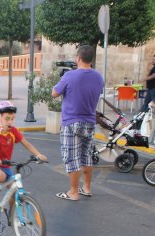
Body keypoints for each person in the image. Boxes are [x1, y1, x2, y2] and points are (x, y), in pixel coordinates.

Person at [51, 44, 104, 201]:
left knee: (72, 157)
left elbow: (54, 93)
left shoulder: (70, 76)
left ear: (78, 58)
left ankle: (73, 192)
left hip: (71, 121)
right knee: (86, 156)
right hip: (89, 121)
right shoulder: (98, 77)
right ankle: (86, 188)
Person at [0, 101, 47, 202]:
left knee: (15, 194)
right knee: (1, 176)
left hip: (5, 165)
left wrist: (38, 154)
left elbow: (26, 143)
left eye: (12, 119)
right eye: (7, 119)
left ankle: (12, 216)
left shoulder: (13, 131)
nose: (10, 122)